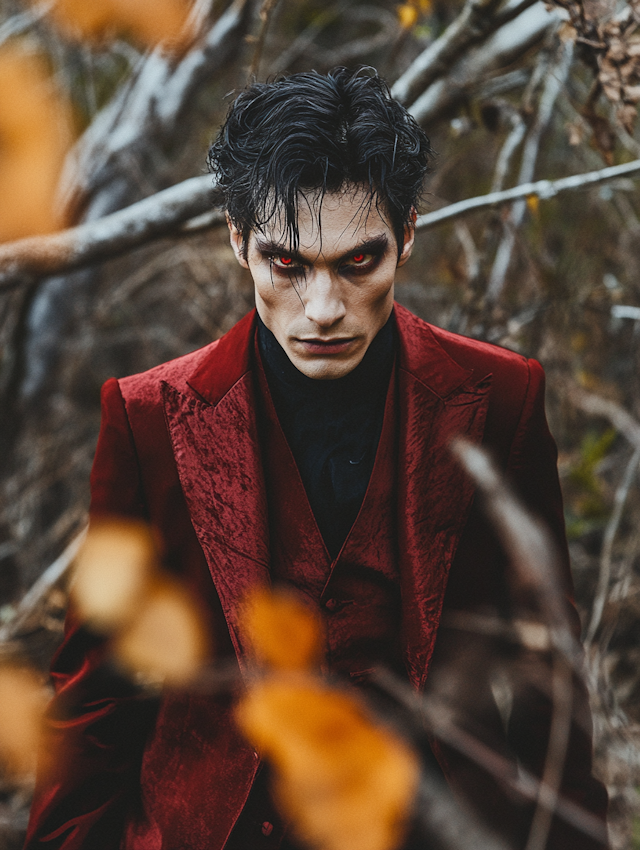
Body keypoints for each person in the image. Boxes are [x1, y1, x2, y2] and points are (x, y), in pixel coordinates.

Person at [25, 67, 608, 850]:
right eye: (288, 264)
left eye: (358, 262)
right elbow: (96, 694)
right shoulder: (148, 417)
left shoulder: (501, 399)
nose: (324, 309)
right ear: (238, 240)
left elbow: (549, 683)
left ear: (406, 236)